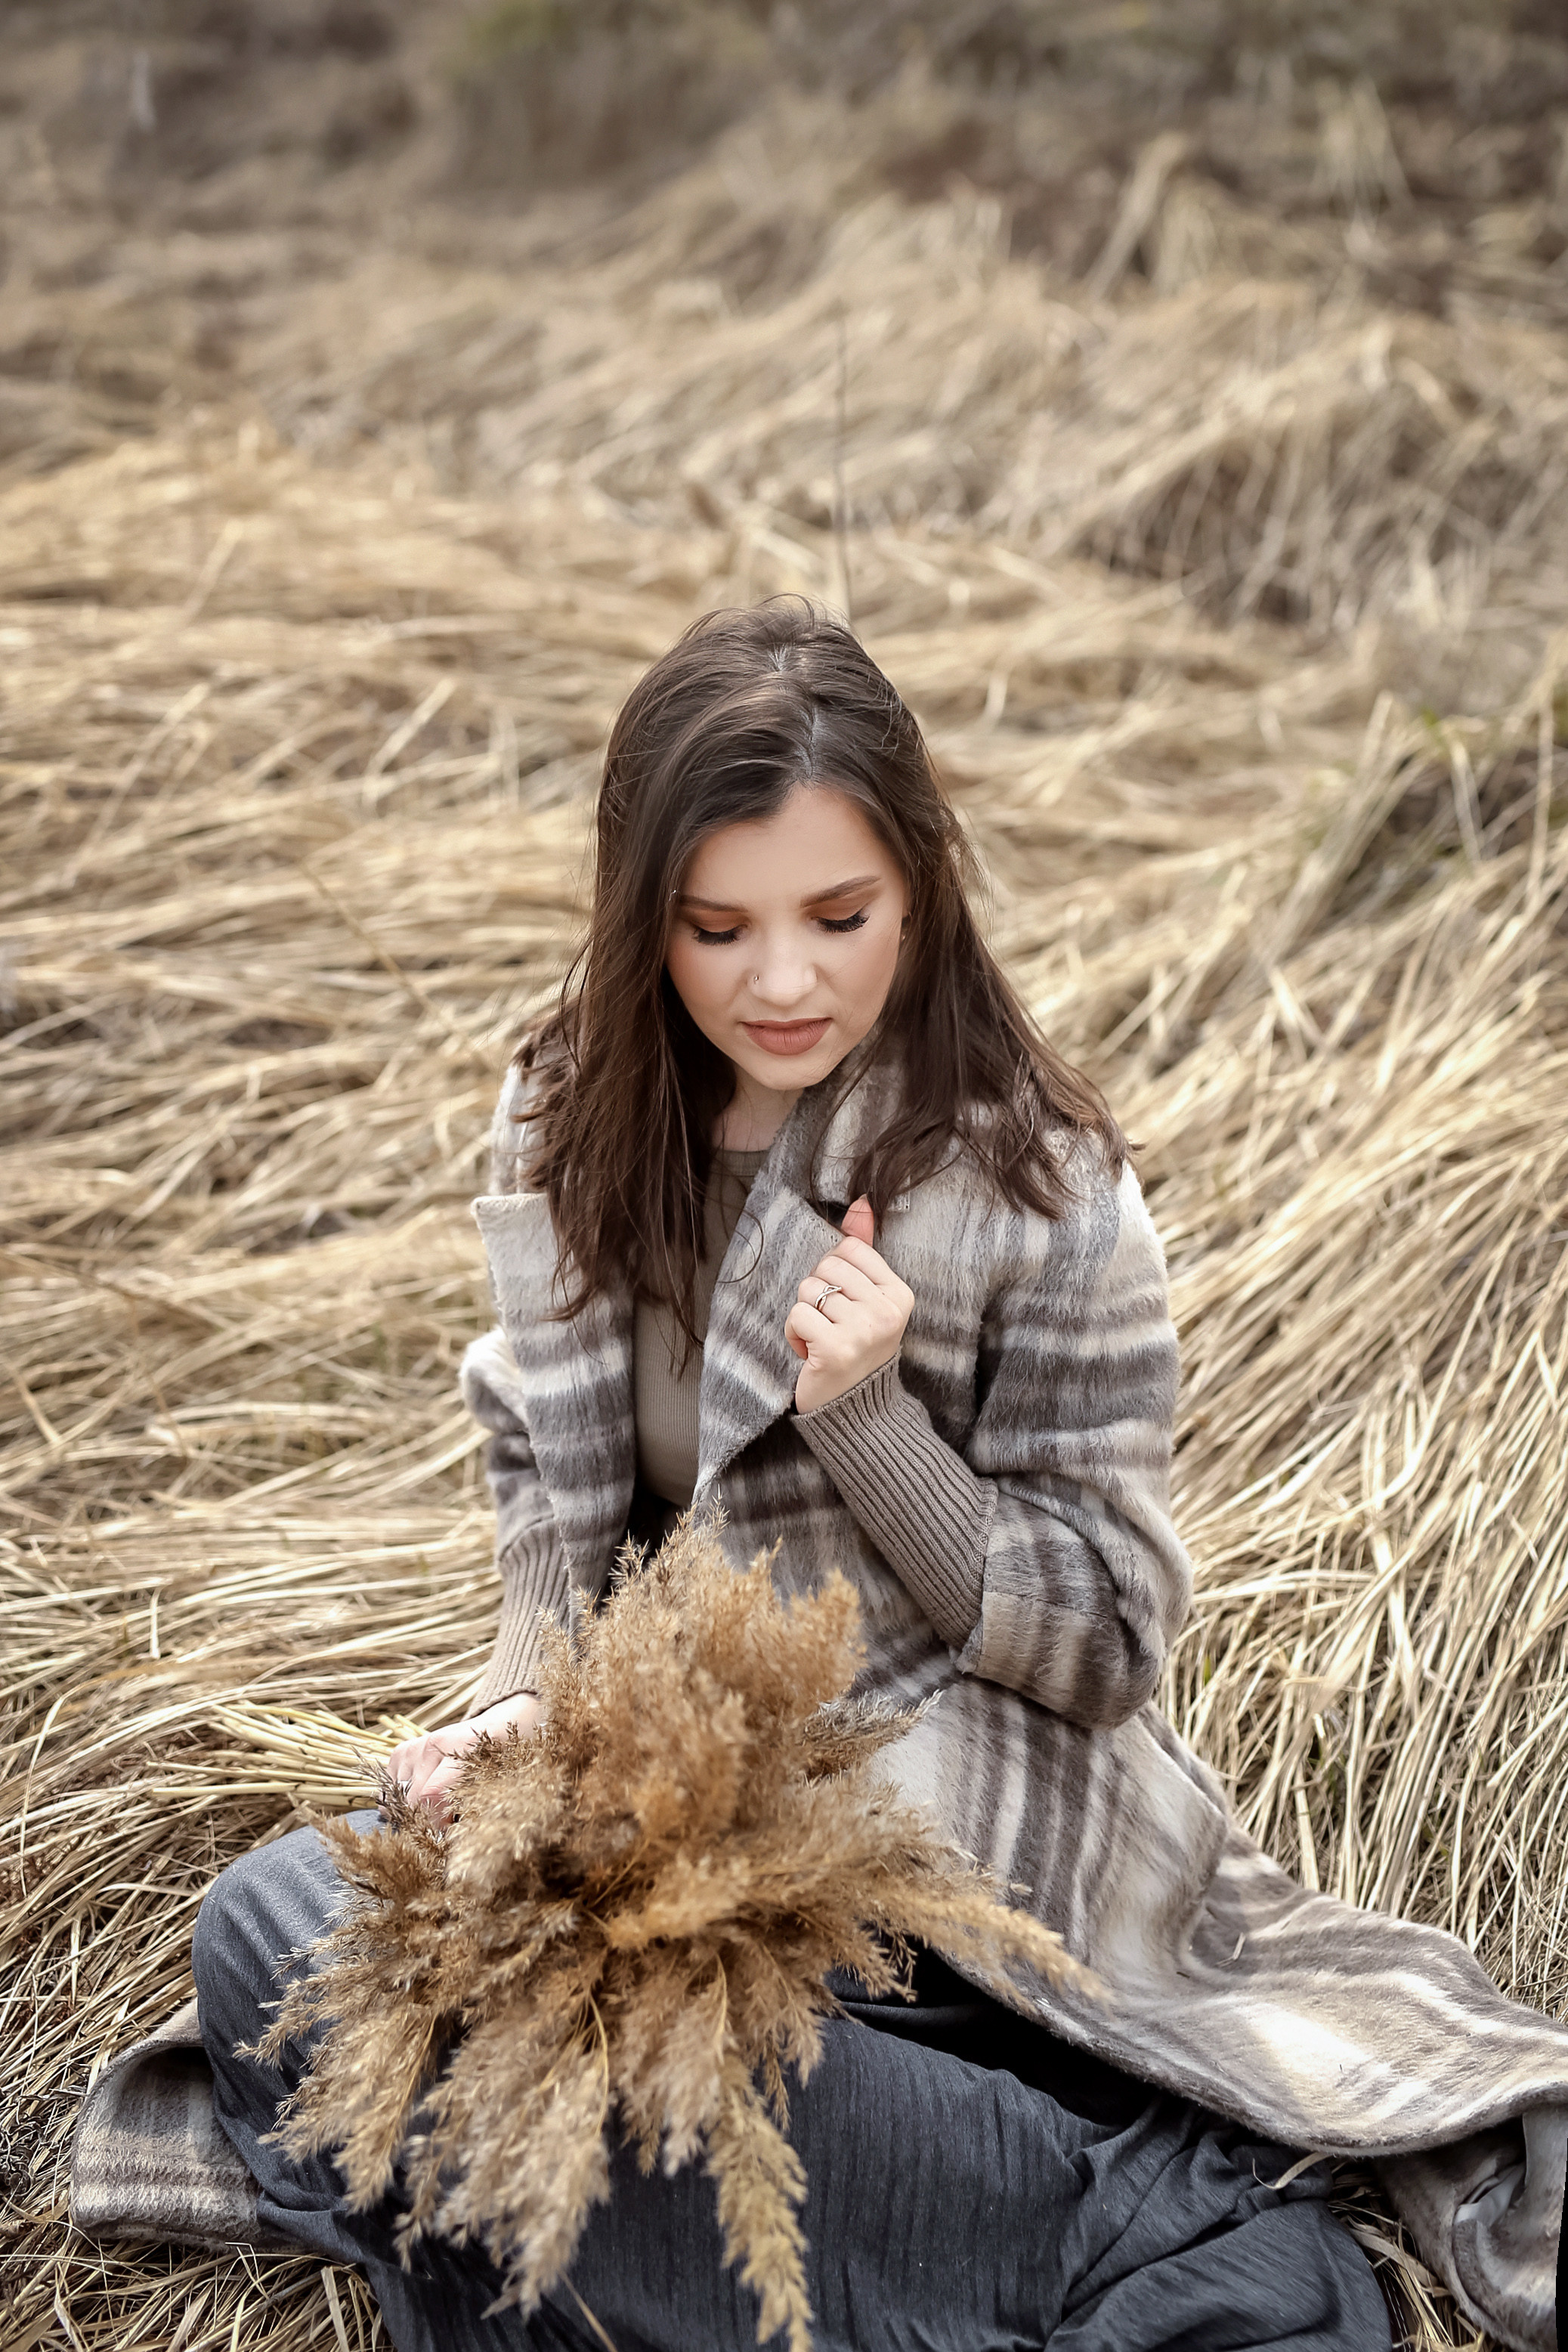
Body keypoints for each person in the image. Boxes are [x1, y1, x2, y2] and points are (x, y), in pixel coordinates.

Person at [192, 600, 1566, 2352]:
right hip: (663, 1796)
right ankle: (924, 2237)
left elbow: (1111, 1634)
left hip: (938, 1857)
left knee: (615, 2033)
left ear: (920, 888)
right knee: (271, 1930)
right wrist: (520, 1713)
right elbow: (547, 1472)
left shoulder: (1038, 1180)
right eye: (719, 926)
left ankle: (1118, 2224)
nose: (784, 981)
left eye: (841, 917)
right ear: (644, 920)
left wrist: (871, 1419)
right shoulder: (568, 1113)